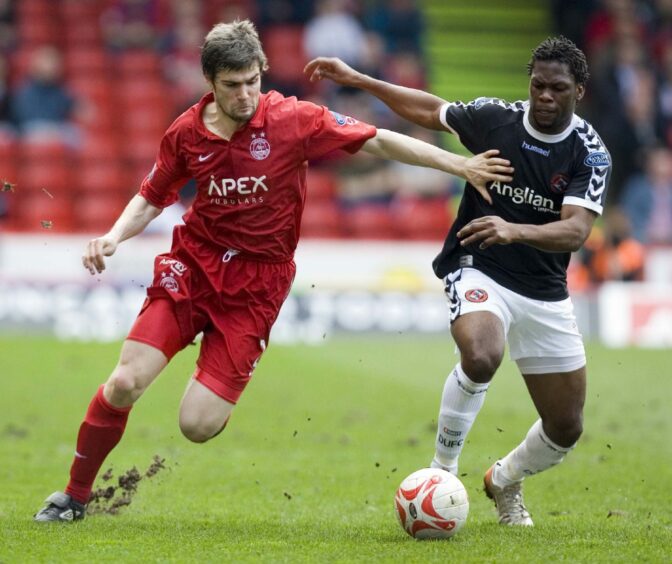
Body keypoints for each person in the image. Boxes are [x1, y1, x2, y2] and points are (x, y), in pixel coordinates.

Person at [33, 19, 514, 523]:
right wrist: (113, 236)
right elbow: (154, 195)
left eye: (252, 81)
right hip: (192, 268)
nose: (245, 95)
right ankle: (73, 496)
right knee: (124, 382)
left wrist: (458, 166)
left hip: (257, 288)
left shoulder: (293, 119)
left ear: (262, 72)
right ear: (210, 83)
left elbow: (378, 141)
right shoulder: (186, 132)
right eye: (232, 85)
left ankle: (221, 365)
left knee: (197, 425)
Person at [305, 35, 611, 526]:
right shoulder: (498, 120)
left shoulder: (588, 152)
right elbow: (433, 111)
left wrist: (514, 229)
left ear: (579, 89)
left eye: (557, 89)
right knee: (482, 353)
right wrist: (360, 79)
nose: (545, 97)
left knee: (565, 427)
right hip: (480, 265)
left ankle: (504, 480)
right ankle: (439, 475)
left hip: (545, 291)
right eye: (537, 86)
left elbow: (575, 230)